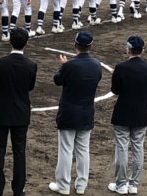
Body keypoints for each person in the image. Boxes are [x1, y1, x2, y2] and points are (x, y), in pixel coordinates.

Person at [49, 31, 103, 195]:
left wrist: (63, 66)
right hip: (86, 112)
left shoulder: (70, 66)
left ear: (75, 45)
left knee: (66, 149)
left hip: (69, 112)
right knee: (83, 149)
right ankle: (81, 185)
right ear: (90, 47)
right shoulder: (97, 65)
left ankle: (63, 185)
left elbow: (57, 80)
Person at [0, 28, 37, 196]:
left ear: (9, 41)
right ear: (26, 43)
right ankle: (18, 189)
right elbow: (30, 87)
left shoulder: (0, 63)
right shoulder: (31, 65)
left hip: (1, 111)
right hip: (21, 112)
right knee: (19, 151)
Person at [108, 36, 147, 195]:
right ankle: (134, 184)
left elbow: (115, 90)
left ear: (128, 50)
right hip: (141, 112)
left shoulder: (121, 68)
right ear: (143, 51)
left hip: (123, 112)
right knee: (138, 147)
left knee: (121, 148)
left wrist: (116, 75)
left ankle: (121, 184)